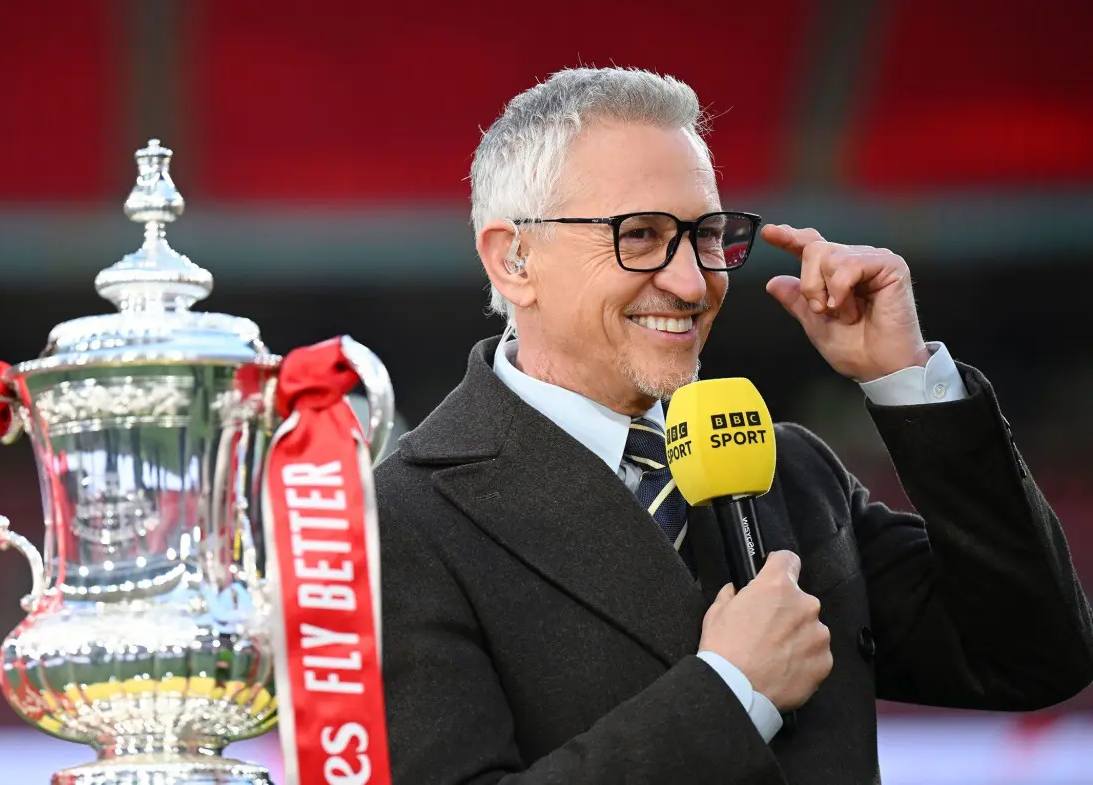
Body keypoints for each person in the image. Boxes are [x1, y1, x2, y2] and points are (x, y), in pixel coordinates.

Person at [373, 66, 1093, 784]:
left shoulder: (794, 471)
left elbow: (1035, 654)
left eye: (708, 235)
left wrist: (907, 381)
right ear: (514, 258)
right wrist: (730, 694)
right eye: (643, 235)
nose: (693, 283)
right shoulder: (400, 522)